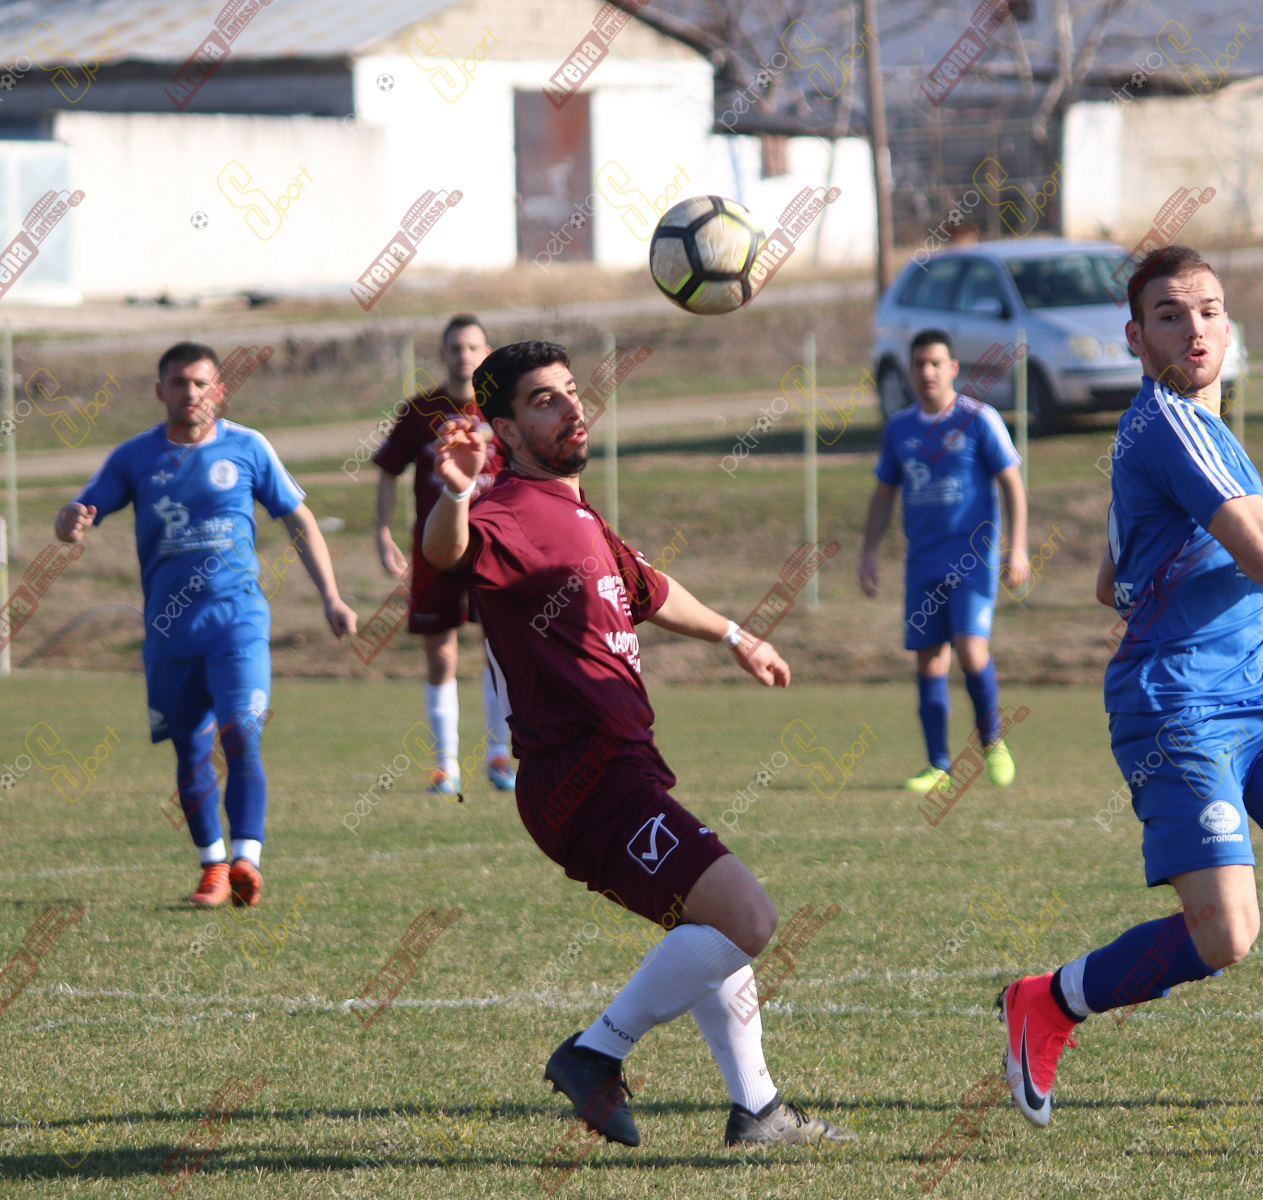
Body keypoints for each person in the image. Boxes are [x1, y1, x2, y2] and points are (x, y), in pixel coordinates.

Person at [998, 247, 1263, 1132]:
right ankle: (1048, 1001)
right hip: (1177, 708)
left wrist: (1251, 633)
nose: (1193, 328)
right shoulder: (1170, 424)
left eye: (1208, 309)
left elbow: (1113, 583)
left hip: (1254, 688)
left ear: (1229, 325)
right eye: (1168, 314)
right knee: (1225, 936)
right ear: (1134, 337)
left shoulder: (1181, 428)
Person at [420, 340, 852, 1148]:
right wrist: (454, 490)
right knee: (748, 918)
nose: (571, 407)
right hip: (583, 783)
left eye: (571, 391)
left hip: (619, 773)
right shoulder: (505, 510)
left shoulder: (579, 515)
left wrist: (737, 636)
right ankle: (594, 1052)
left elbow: (650, 588)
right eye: (544, 400)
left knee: (710, 924)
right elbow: (449, 551)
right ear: (504, 431)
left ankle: (758, 1110)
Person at [53, 341, 357, 907]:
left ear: (218, 390)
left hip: (236, 625)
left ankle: (247, 859)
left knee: (241, 732)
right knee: (190, 752)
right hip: (169, 634)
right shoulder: (134, 457)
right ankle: (213, 866)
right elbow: (78, 514)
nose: (190, 393)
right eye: (179, 383)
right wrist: (68, 525)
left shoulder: (248, 447)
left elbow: (299, 519)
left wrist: (332, 597)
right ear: (160, 391)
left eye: (200, 383)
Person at [858, 329, 1028, 795]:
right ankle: (937, 766)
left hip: (973, 561)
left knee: (971, 651)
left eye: (935, 363)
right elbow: (883, 494)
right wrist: (868, 552)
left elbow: (1011, 483)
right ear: (910, 371)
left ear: (953, 368)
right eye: (919, 364)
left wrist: (1017, 546)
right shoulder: (900, 429)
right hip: (923, 563)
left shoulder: (979, 419)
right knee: (929, 659)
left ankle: (992, 742)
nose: (927, 372)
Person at [372, 314, 513, 795]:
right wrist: (382, 531)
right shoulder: (420, 411)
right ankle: (445, 764)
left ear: (487, 352)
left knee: (501, 650)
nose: (463, 356)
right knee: (440, 654)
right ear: (444, 354)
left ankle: (498, 754)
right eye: (455, 348)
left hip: (492, 546)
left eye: (472, 347)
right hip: (435, 548)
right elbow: (389, 471)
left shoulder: (504, 408)